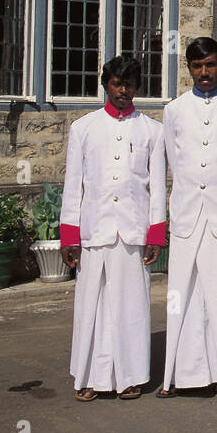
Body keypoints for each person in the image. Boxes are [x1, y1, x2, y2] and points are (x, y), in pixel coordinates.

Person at [61, 53, 166, 402]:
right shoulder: (84, 128)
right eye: (117, 84)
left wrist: (155, 234)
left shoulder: (152, 130)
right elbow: (73, 184)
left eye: (130, 84)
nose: (123, 90)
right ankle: (90, 377)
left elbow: (157, 188)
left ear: (138, 87)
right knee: (92, 303)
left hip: (133, 231)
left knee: (131, 305)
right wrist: (69, 236)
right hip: (95, 230)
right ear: (106, 84)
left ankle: (130, 376)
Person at [157, 37, 217, 403]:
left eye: (210, 65)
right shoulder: (174, 110)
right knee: (180, 294)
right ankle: (178, 376)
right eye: (197, 67)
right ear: (188, 68)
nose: (204, 73)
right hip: (185, 212)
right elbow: (174, 160)